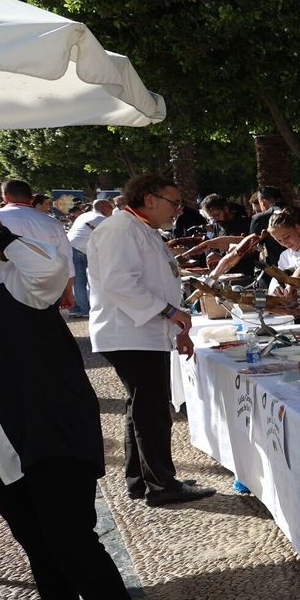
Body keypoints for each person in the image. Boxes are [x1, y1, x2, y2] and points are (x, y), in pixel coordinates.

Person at [0, 214, 146, 600]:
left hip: (51, 427)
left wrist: (0, 239)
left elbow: (52, 272)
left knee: (70, 538)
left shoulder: (16, 278)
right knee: (35, 539)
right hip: (2, 444)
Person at [87, 173, 214, 507]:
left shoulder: (140, 229)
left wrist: (175, 329)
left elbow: (158, 281)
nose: (177, 210)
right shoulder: (121, 229)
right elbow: (120, 283)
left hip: (142, 332)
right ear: (149, 199)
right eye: (174, 203)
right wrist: (171, 312)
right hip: (129, 334)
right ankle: (161, 484)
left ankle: (142, 479)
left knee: (140, 407)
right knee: (151, 410)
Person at [0, 178, 73, 309]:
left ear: (5, 196)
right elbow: (66, 260)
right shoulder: (52, 222)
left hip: (3, 289)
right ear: (31, 198)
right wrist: (67, 292)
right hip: (46, 290)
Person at [248, 185, 300, 268]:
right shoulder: (284, 256)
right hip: (281, 268)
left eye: (286, 237)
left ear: (263, 202)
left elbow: (253, 251)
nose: (284, 243)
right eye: (279, 240)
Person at [64, 197, 115, 318]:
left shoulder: (85, 215)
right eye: (111, 208)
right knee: (80, 282)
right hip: (80, 248)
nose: (112, 210)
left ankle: (76, 308)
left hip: (71, 246)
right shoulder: (101, 219)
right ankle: (85, 310)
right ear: (105, 208)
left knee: (76, 281)